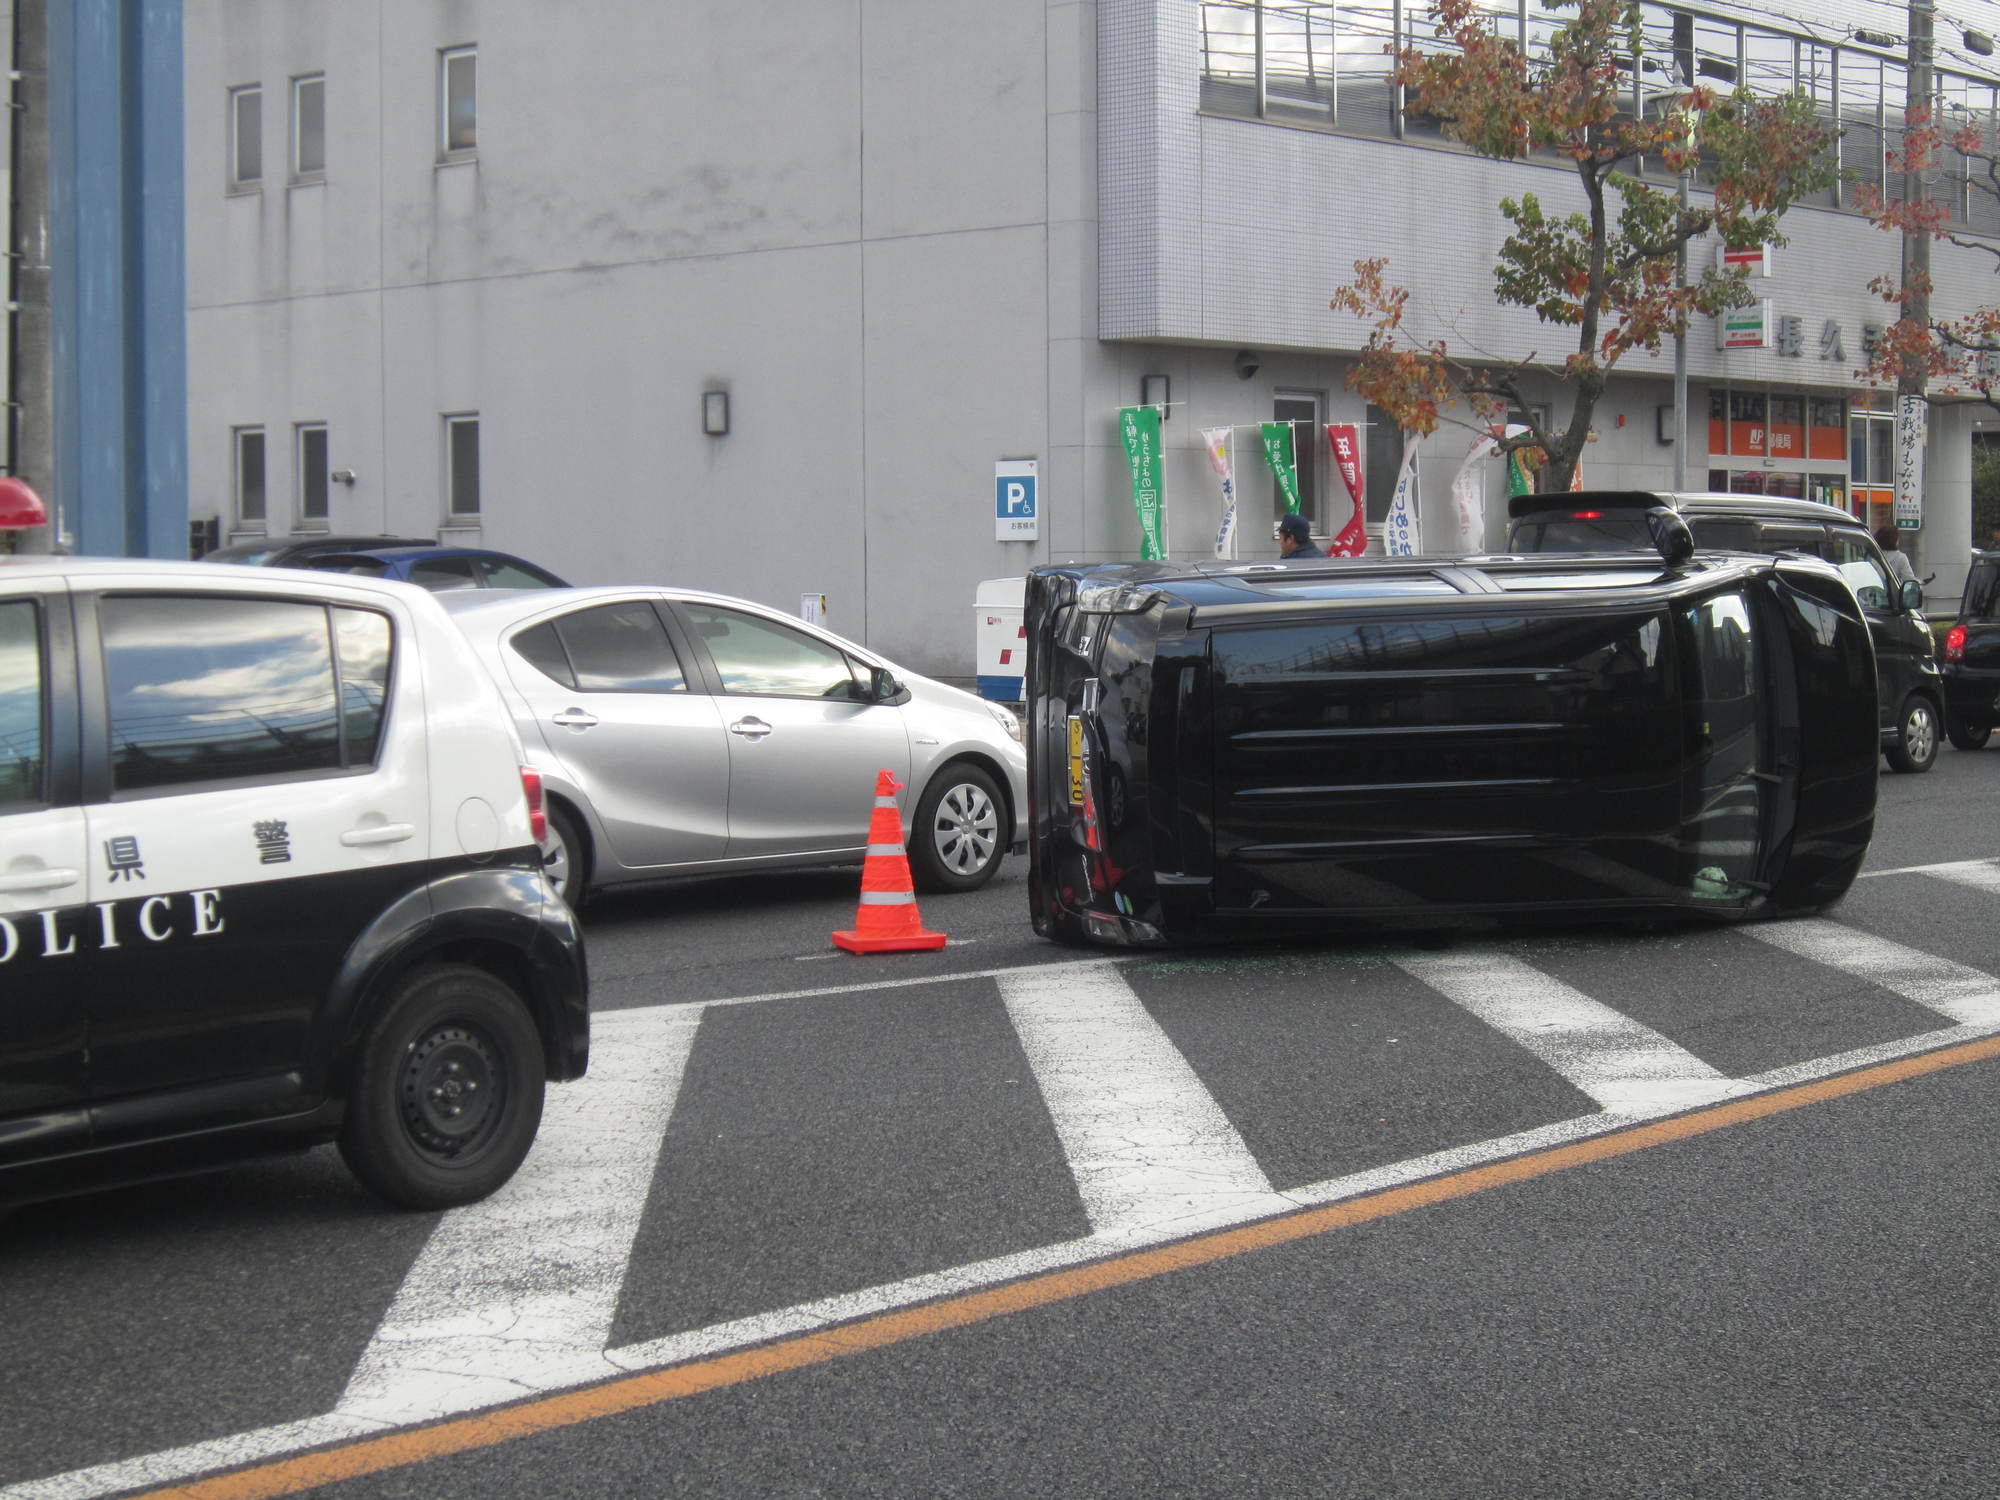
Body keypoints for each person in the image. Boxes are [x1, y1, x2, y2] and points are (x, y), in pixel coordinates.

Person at [1875, 523, 1917, 588]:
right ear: (1895, 540)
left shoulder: (1873, 555)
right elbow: (1909, 581)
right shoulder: (1901, 557)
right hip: (1892, 595)